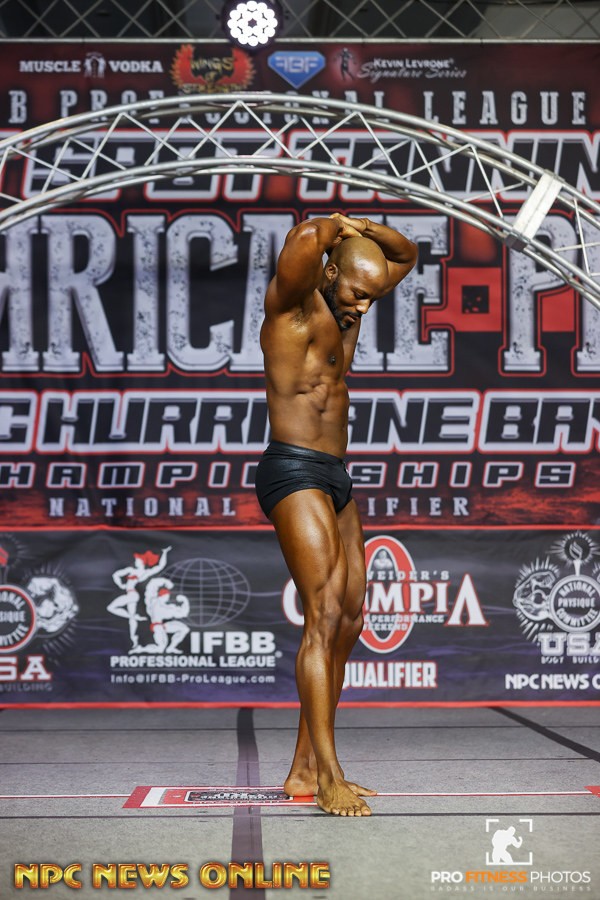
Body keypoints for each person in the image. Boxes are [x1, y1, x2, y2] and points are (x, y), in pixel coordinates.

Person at [256, 213, 418, 816]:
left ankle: (303, 769)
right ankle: (329, 777)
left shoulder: (349, 306)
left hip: (334, 475)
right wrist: (335, 224)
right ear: (328, 273)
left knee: (349, 618)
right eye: (356, 292)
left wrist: (368, 229)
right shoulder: (291, 311)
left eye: (371, 297)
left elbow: (406, 255)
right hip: (293, 470)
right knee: (322, 615)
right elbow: (303, 240)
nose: (363, 306)